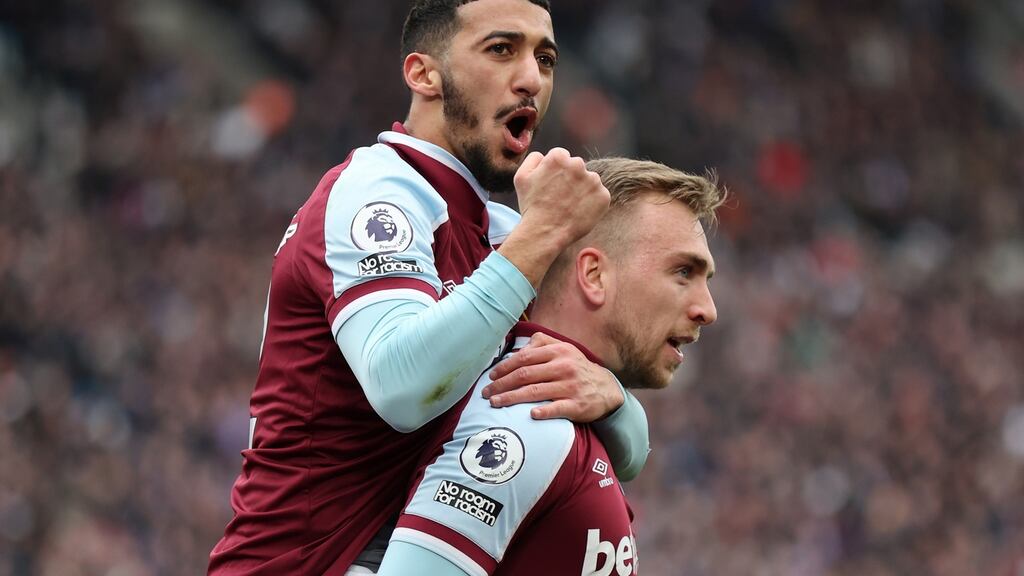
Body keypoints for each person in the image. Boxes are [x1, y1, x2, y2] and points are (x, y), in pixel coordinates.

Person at [208, 1, 651, 574]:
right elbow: (402, 386)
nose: (532, 79)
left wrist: (613, 400)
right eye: (501, 49)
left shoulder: (500, 233)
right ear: (423, 74)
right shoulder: (375, 190)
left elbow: (628, 451)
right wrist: (542, 233)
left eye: (545, 58)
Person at [376, 157, 725, 576]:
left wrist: (618, 403)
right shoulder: (527, 424)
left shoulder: (580, 416)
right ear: (594, 275)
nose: (708, 309)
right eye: (683, 271)